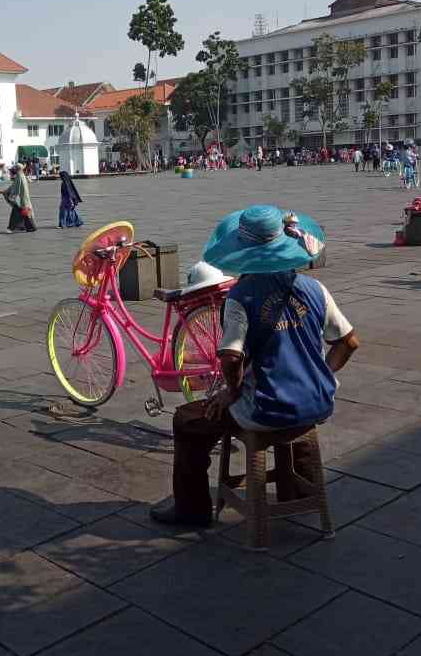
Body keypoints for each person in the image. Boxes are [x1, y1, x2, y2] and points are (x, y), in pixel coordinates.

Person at [151, 204, 359, 527]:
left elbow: (231, 358)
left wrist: (231, 393)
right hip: (318, 402)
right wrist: (321, 374)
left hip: (266, 410)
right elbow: (348, 342)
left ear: (243, 251)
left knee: (186, 420)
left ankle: (191, 509)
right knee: (293, 410)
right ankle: (298, 490)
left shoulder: (241, 297)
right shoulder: (315, 289)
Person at [2, 163, 36, 233]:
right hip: (23, 198)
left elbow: (15, 188)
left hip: (19, 199)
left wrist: (10, 195)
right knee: (24, 213)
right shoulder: (22, 176)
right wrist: (6, 191)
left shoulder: (19, 177)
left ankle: (11, 228)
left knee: (16, 214)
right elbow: (14, 186)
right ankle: (29, 227)